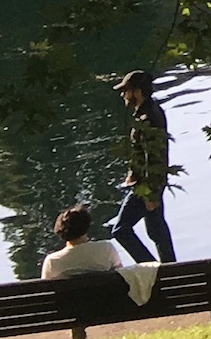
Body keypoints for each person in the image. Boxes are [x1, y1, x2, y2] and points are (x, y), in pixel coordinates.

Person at [110, 70, 175, 261]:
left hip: (145, 186)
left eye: (126, 91)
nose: (123, 95)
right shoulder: (151, 111)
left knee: (121, 230)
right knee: (157, 230)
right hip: (154, 183)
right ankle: (173, 271)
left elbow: (153, 158)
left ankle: (151, 269)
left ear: (137, 91)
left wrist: (149, 193)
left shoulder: (147, 119)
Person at [39, 205, 130, 278]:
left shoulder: (52, 261)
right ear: (86, 226)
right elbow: (121, 277)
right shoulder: (106, 248)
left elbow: (46, 289)